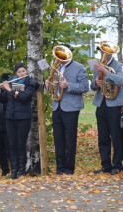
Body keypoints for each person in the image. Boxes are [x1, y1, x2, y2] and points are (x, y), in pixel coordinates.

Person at [45, 45, 89, 175]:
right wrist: (48, 85)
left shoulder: (79, 67)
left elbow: (85, 86)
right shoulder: (56, 67)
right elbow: (54, 86)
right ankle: (60, 167)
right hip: (57, 106)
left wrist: (68, 85)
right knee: (58, 138)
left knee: (69, 139)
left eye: (62, 54)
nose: (60, 57)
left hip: (71, 108)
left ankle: (69, 168)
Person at [0, 63, 39, 179]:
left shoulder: (29, 83)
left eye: (23, 71)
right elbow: (4, 100)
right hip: (10, 118)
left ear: (26, 71)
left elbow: (25, 97)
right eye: (19, 72)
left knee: (21, 144)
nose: (21, 73)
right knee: (12, 144)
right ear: (16, 73)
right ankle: (14, 170)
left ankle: (21, 170)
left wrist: (9, 90)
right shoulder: (10, 81)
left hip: (23, 118)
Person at [91, 46, 123, 175]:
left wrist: (106, 72)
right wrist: (96, 82)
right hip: (101, 103)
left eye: (106, 52)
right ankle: (105, 165)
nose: (103, 54)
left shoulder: (119, 65)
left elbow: (120, 81)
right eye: (102, 51)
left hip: (114, 104)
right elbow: (92, 87)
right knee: (103, 136)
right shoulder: (97, 65)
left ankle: (117, 164)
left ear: (111, 53)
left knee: (116, 136)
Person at [0, 73, 11, 177]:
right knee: (0, 150)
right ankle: (5, 170)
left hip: (7, 124)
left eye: (3, 82)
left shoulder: (11, 92)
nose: (1, 84)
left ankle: (14, 168)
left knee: (9, 148)